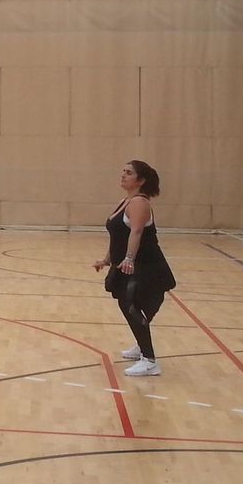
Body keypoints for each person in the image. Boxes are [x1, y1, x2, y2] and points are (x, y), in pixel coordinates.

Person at [93, 159, 177, 378]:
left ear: (140, 180)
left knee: (130, 305)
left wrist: (129, 258)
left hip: (146, 267)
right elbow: (118, 236)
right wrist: (106, 260)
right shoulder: (125, 201)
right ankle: (142, 345)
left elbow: (136, 232)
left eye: (128, 172)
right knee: (133, 305)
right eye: (123, 171)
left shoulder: (140, 202)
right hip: (128, 265)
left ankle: (149, 361)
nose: (123, 175)